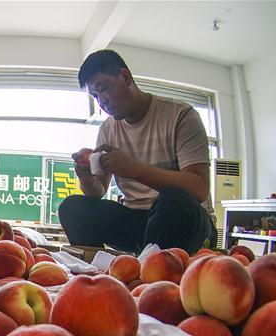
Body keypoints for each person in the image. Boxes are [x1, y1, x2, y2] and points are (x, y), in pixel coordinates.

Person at [58, 50, 216, 254]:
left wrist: (133, 169)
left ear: (125, 77)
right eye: (95, 96)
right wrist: (86, 177)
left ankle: (155, 275)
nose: (101, 102)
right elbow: (98, 191)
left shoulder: (180, 116)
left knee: (173, 199)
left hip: (187, 222)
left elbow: (199, 188)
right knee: (73, 208)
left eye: (103, 89)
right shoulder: (108, 129)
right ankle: (94, 277)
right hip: (138, 223)